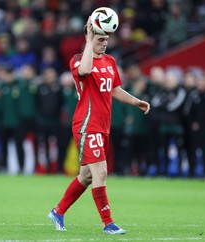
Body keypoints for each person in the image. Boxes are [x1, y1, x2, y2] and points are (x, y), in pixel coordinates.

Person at [48, 17, 150, 234]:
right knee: (100, 172)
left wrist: (135, 101)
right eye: (101, 39)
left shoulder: (110, 61)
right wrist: (88, 40)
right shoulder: (78, 60)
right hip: (87, 124)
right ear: (90, 38)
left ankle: (58, 211)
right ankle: (108, 223)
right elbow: (84, 71)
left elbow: (114, 89)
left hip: (103, 125)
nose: (105, 43)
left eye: (107, 40)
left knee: (85, 175)